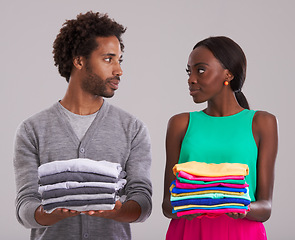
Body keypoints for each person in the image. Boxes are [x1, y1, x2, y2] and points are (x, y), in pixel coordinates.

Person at [13, 11, 152, 240]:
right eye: (108, 59)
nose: (119, 70)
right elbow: (25, 206)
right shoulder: (32, 130)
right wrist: (50, 213)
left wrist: (117, 211)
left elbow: (143, 201)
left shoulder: (133, 128)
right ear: (79, 61)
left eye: (119, 60)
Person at [162, 36, 278, 240]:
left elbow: (265, 206)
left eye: (200, 69)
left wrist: (240, 208)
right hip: (188, 232)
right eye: (189, 72)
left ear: (229, 73)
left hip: (242, 233)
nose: (191, 78)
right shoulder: (180, 124)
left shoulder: (262, 122)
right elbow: (167, 205)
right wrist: (191, 206)